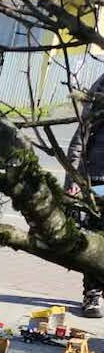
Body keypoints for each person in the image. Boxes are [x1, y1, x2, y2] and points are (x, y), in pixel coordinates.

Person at [68, 71, 104, 318]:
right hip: (99, 176)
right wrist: (73, 180)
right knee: (96, 237)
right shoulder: (103, 84)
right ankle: (93, 294)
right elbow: (81, 135)